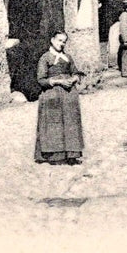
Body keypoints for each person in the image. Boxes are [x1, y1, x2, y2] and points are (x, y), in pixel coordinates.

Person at [34, 31, 84, 165]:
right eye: (59, 40)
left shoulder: (68, 57)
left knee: (70, 123)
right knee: (54, 123)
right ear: (52, 40)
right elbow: (41, 80)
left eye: (64, 41)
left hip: (69, 96)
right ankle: (55, 156)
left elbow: (76, 72)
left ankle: (71, 154)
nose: (61, 44)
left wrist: (73, 78)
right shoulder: (45, 58)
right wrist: (59, 81)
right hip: (52, 96)